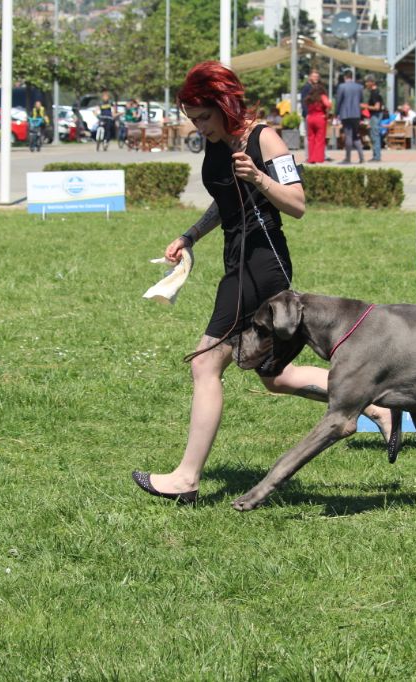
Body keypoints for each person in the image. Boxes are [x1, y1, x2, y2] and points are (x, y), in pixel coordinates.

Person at [131, 61, 395, 504]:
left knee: (205, 364)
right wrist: (190, 235)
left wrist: (259, 176)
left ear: (224, 105)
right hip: (236, 261)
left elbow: (297, 203)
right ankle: (373, 404)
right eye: (192, 118)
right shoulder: (217, 142)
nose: (198, 127)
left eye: (203, 117)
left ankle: (185, 479)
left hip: (261, 265)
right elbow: (226, 201)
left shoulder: (264, 138)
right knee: (275, 376)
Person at [335, 70, 364, 164]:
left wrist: (336, 112)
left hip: (346, 114)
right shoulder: (359, 87)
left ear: (345, 77)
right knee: (355, 135)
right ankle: (361, 157)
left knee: (348, 135)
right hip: (356, 114)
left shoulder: (342, 86)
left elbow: (338, 101)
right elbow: (361, 100)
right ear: (352, 76)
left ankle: (348, 158)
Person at [304, 83, 330, 164]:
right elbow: (328, 104)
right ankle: (318, 158)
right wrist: (327, 114)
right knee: (320, 139)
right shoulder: (322, 96)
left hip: (310, 118)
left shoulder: (309, 98)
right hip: (320, 118)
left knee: (311, 139)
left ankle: (311, 158)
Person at [364, 75, 384, 162]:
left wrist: (365, 106)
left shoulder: (374, 92)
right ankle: (376, 155)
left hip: (376, 115)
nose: (366, 84)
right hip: (375, 115)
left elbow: (377, 107)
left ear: (371, 82)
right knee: (373, 135)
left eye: (367, 82)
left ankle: (377, 156)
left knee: (374, 135)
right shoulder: (376, 91)